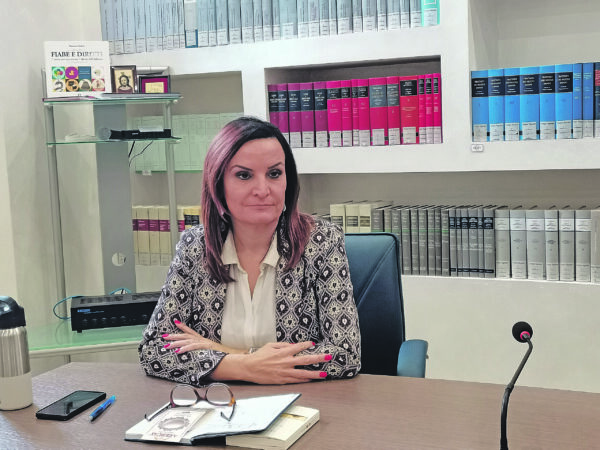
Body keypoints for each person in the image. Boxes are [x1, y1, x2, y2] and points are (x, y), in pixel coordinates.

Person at [139, 116, 361, 386]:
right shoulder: (195, 246)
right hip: (218, 403)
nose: (262, 190)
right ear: (218, 182)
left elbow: (345, 354)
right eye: (244, 175)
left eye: (274, 174)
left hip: (303, 402)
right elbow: (154, 350)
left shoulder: (321, 241)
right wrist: (245, 366)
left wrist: (229, 354)